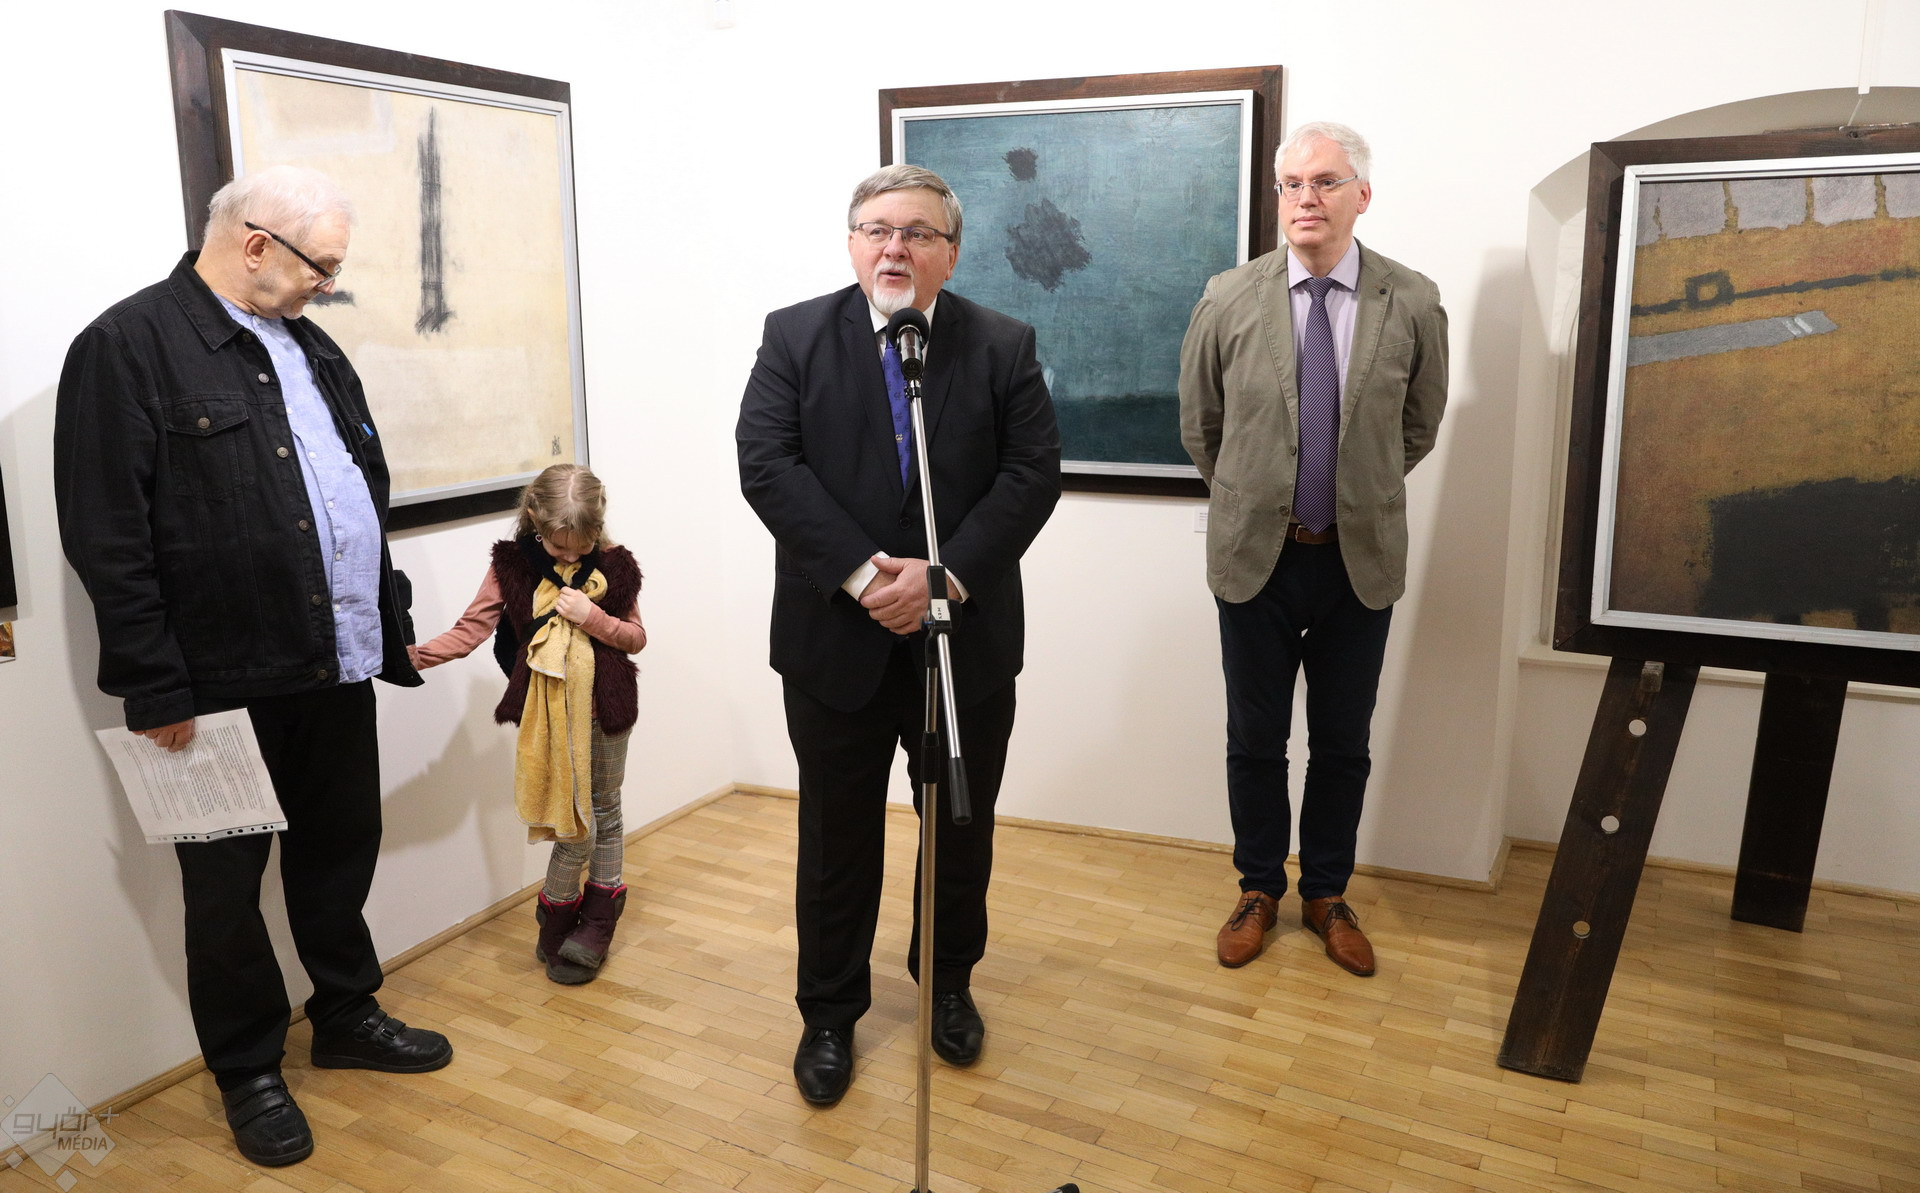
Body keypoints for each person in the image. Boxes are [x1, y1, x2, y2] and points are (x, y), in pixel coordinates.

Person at [54, 166, 451, 1168]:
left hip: (334, 661)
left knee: (340, 848)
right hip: (213, 685)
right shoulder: (126, 345)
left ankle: (346, 1013)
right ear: (256, 242)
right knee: (224, 890)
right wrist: (153, 679)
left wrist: (383, 618)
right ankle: (248, 1068)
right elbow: (107, 534)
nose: (329, 284)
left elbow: (357, 492)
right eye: (323, 264)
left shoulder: (312, 347)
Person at [737, 164, 1060, 1106]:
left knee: (959, 824)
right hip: (834, 639)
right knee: (836, 835)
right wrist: (868, 575)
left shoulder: (1002, 344)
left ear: (950, 253)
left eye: (917, 232)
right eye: (877, 229)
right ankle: (829, 1011)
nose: (894, 247)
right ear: (851, 243)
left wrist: (942, 576)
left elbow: (1032, 474)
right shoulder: (795, 335)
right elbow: (767, 462)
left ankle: (948, 981)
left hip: (963, 642)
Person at [1178, 122, 1449, 978]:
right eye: (1292, 183)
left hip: (1355, 561)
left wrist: (1348, 491)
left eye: (1326, 182)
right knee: (1255, 739)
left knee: (1342, 742)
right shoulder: (1228, 297)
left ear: (1361, 195)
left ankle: (1327, 892)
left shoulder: (1412, 300)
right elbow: (1202, 427)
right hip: (1255, 560)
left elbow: (1418, 426)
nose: (1306, 198)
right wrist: (1263, 495)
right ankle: (1259, 886)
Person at [409, 464, 647, 985]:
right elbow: (471, 630)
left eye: (581, 546)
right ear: (534, 518)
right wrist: (413, 657)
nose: (570, 556)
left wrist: (592, 617)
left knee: (604, 812)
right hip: (548, 714)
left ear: (597, 527)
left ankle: (597, 923)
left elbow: (635, 637)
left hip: (608, 710)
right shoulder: (511, 566)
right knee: (571, 822)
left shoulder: (616, 565)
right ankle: (557, 915)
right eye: (559, 546)